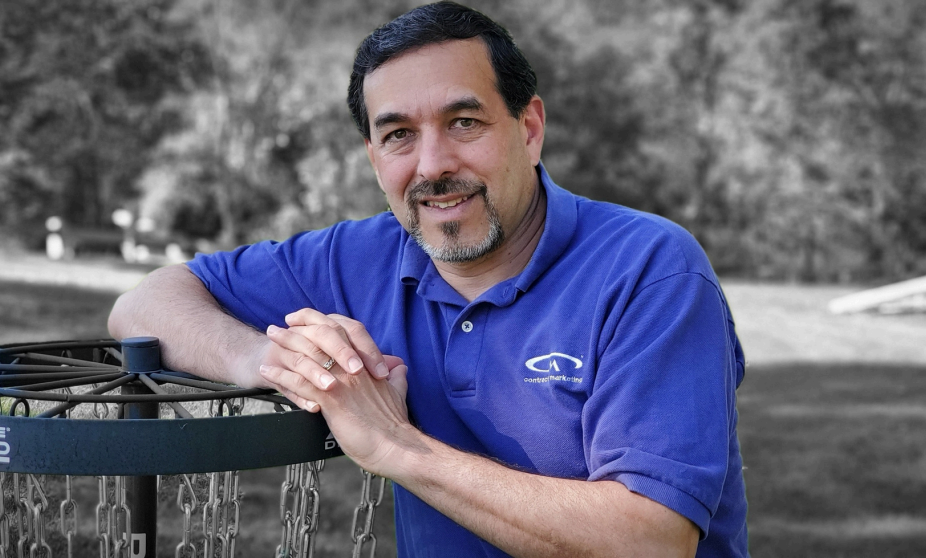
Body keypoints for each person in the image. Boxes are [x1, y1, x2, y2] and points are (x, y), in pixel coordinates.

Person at [108, 2, 749, 556]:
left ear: (528, 130)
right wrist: (266, 360)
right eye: (399, 135)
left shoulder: (648, 268)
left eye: (464, 123)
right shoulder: (357, 257)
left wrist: (394, 446)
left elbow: (652, 539)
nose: (433, 165)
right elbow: (145, 303)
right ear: (374, 157)